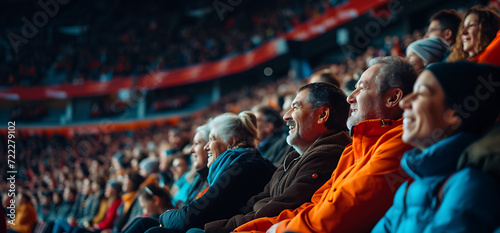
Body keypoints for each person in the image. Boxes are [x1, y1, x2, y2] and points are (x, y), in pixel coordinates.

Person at [234, 56, 416, 233]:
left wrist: (277, 230)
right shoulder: (351, 150)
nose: (350, 97)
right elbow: (314, 206)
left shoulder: (401, 143)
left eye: (361, 88)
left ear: (393, 98)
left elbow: (338, 216)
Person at [204, 82, 352, 233]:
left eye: (295, 107)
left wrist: (213, 229)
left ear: (322, 115)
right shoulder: (293, 158)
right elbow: (256, 202)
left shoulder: (328, 155)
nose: (286, 115)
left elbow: (275, 210)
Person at [372, 61, 500, 232]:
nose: (404, 102)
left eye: (421, 93)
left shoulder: (470, 185)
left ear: (454, 113)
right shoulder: (409, 185)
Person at [121, 111, 276, 233]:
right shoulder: (243, 163)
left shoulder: (241, 169)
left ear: (231, 142)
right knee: (143, 223)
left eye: (212, 139)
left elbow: (188, 218)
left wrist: (164, 216)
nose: (207, 147)